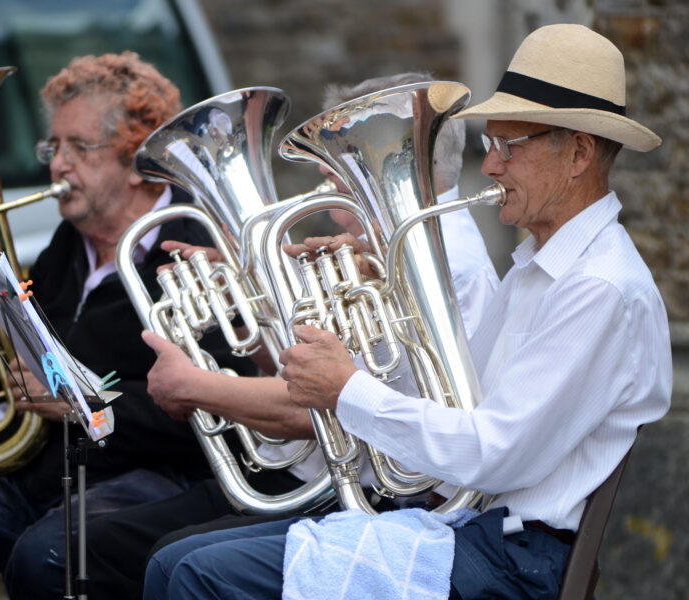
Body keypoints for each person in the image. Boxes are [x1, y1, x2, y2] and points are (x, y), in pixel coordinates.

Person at [144, 24, 672, 600]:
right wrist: (380, 291)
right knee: (173, 562)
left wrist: (347, 388)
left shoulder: (598, 286)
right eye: (489, 146)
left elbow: (489, 453)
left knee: (196, 573)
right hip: (471, 531)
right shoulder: (541, 266)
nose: (491, 167)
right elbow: (457, 407)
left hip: (509, 561)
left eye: (508, 147)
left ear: (578, 153)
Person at [76, 71, 499, 600]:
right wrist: (246, 302)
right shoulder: (374, 254)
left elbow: (319, 404)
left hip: (390, 499)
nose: (325, 178)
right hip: (336, 481)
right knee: (136, 553)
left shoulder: (440, 264)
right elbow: (296, 376)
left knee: (165, 563)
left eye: (344, 160)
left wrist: (196, 386)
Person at [0, 51, 254, 600]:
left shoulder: (194, 246)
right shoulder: (63, 250)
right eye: (53, 147)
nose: (56, 165)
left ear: (135, 159)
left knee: (47, 556)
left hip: (154, 479)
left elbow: (215, 410)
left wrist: (90, 402)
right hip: (48, 472)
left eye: (79, 147)